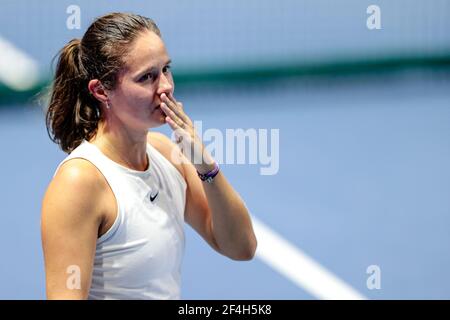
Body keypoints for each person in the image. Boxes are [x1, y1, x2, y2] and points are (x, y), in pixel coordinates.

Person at [41, 12, 257, 300]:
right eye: (147, 77)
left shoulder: (167, 155)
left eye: (166, 69)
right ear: (101, 90)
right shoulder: (79, 182)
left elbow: (241, 247)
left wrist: (205, 165)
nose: (165, 86)